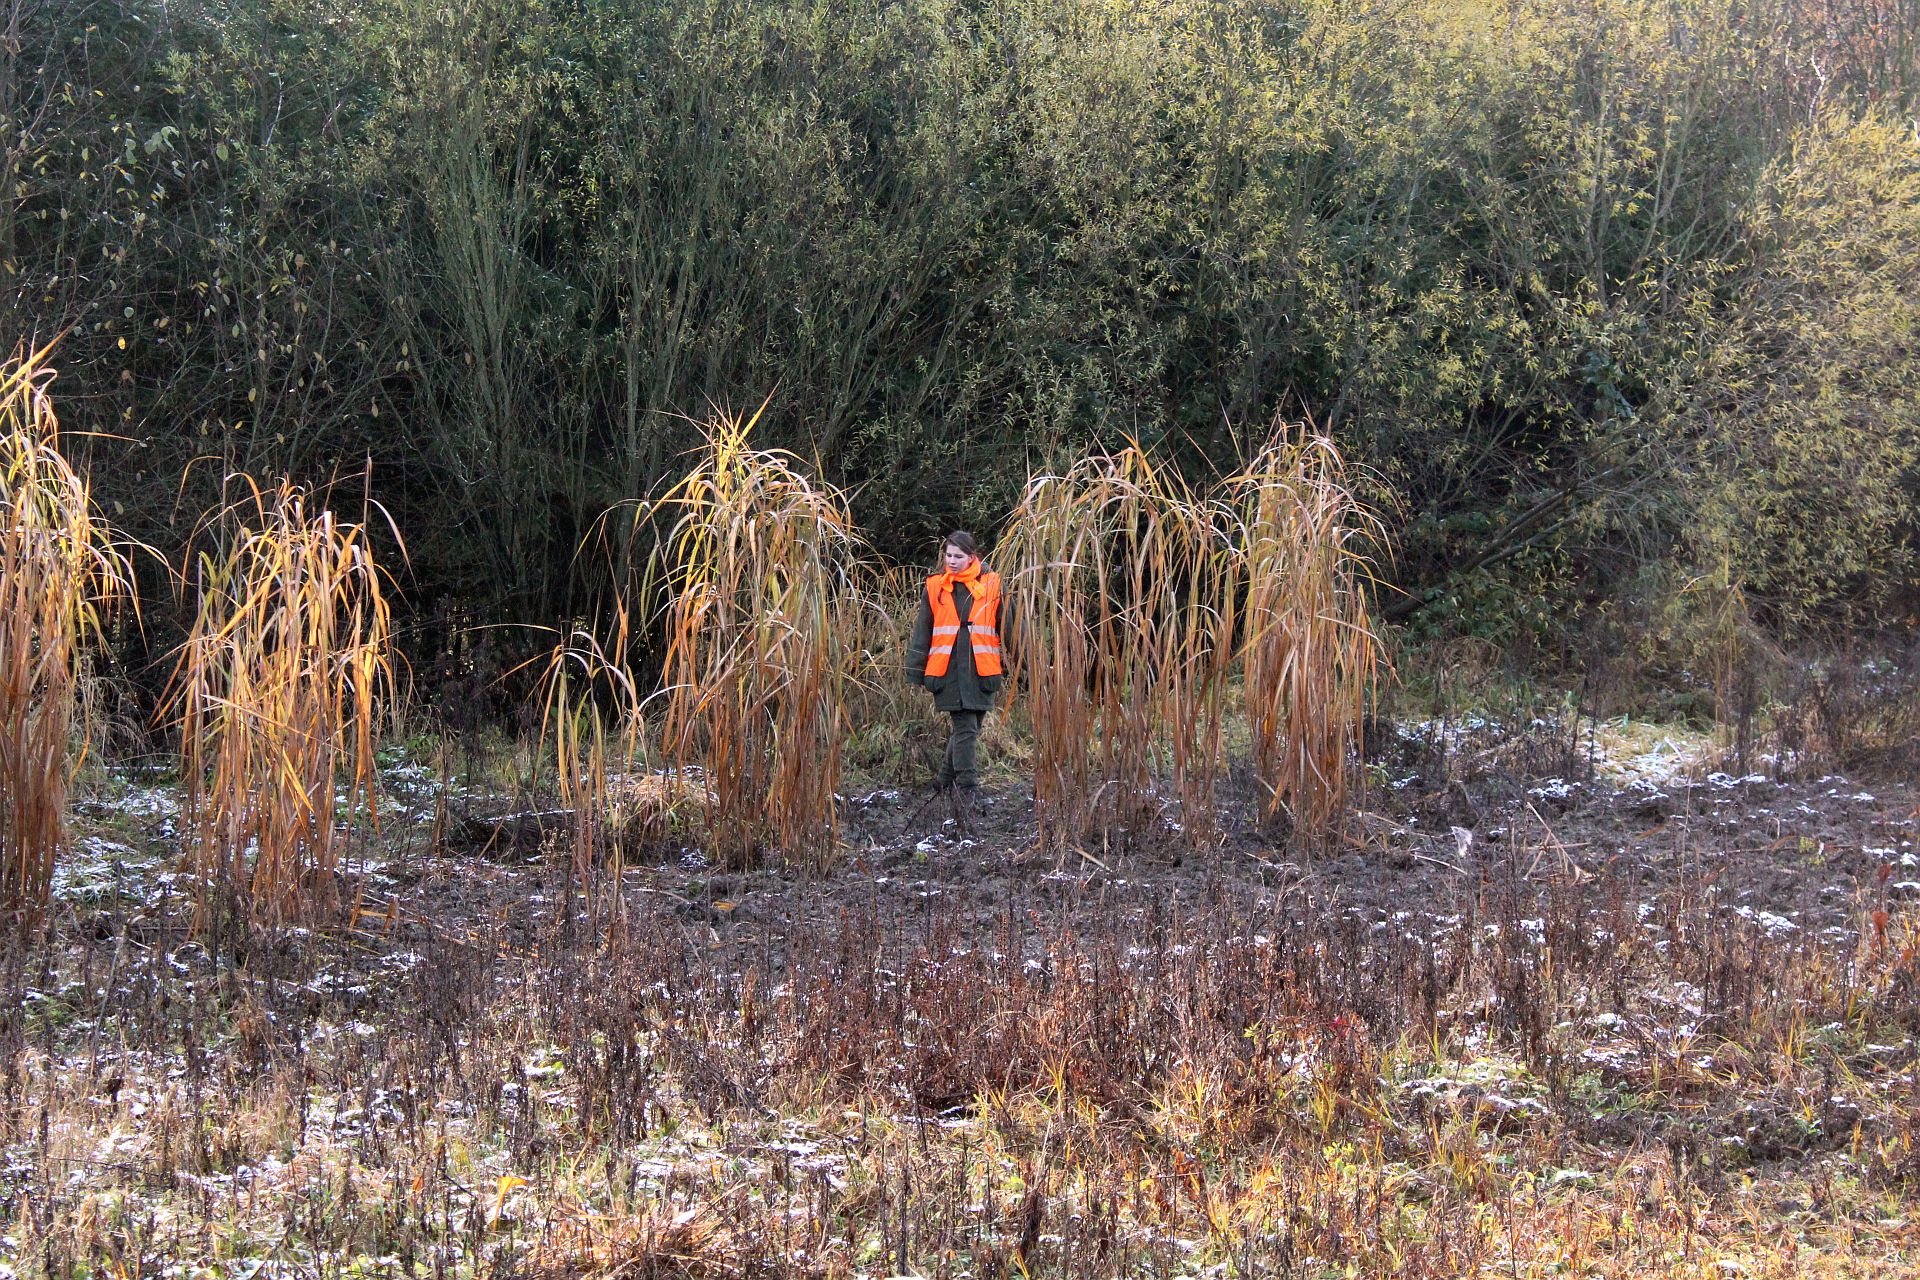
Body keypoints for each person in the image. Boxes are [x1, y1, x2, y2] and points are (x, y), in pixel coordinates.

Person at [905, 531, 1006, 824]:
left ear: (972, 557)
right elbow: (923, 630)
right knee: (966, 728)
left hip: (982, 671)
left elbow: (1009, 623)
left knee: (969, 728)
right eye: (948, 555)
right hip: (947, 671)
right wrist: (915, 669)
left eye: (958, 556)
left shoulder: (992, 584)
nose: (951, 561)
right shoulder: (935, 587)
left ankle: (943, 781)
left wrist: (1028, 659)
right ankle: (967, 790)